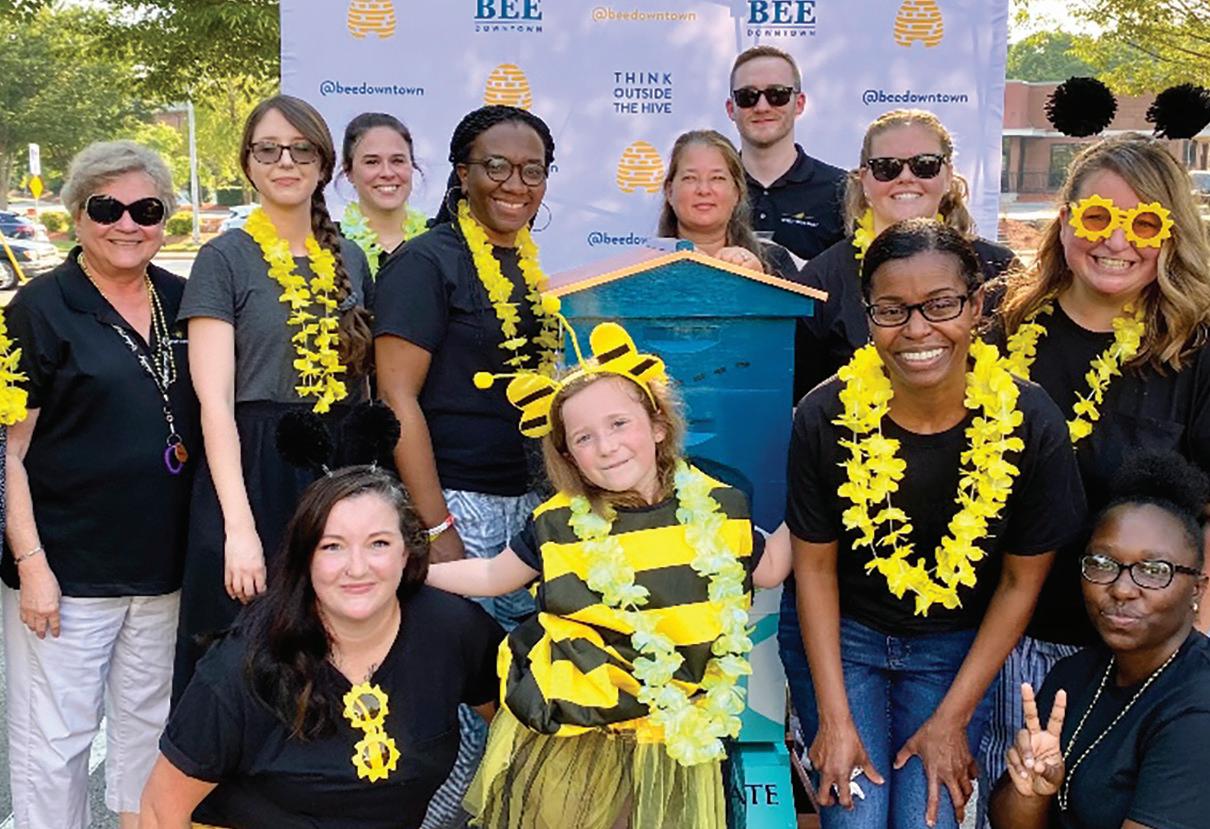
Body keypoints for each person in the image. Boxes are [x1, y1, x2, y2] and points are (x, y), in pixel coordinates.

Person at [427, 320, 792, 828]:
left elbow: (770, 568)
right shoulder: (558, 525)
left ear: (658, 424)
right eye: (584, 437)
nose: (606, 445)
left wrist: (815, 502)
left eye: (619, 423)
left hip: (671, 737)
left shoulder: (716, 511)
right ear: (568, 455)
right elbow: (492, 575)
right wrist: (411, 572)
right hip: (581, 735)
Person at [784, 219, 1084, 829]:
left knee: (929, 818)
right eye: (892, 310)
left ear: (976, 307)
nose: (917, 329)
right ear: (869, 316)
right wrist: (834, 720)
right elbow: (813, 570)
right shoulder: (824, 415)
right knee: (857, 819)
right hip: (845, 639)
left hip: (954, 648)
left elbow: (1019, 583)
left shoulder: (1029, 419)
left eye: (941, 304)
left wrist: (953, 719)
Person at [980, 133, 1210, 789]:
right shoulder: (1005, 327)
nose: (1116, 240)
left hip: (1144, 652)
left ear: (1170, 233)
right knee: (1013, 806)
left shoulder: (1195, 347)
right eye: (1098, 216)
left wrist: (1193, 657)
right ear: (1065, 221)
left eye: (1143, 223)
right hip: (1009, 643)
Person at [373, 104, 561, 828]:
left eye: (532, 170)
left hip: (528, 506)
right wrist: (436, 526)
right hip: (457, 503)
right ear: (461, 173)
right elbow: (396, 399)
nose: (516, 184)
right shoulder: (427, 262)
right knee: (456, 708)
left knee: (512, 698)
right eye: (496, 166)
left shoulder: (527, 266)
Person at [2, 140, 199, 829]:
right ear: (76, 215)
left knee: (150, 735)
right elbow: (8, 452)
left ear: (166, 218)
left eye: (146, 210)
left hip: (165, 570)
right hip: (67, 575)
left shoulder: (184, 299)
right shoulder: (38, 308)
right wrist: (31, 565)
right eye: (106, 208)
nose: (127, 224)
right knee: (53, 744)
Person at [139, 466, 504, 828]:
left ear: (406, 552)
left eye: (378, 543)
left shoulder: (453, 629)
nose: (357, 568)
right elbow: (160, 810)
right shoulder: (246, 663)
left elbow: (515, 730)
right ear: (306, 558)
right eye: (332, 547)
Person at [173, 94, 374, 703]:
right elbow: (214, 404)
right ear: (248, 164)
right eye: (268, 150)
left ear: (324, 164)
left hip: (336, 468)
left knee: (333, 655)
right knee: (245, 660)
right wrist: (239, 528)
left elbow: (363, 385)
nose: (285, 162)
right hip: (254, 469)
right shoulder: (224, 258)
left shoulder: (350, 258)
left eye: (301, 150)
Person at [988, 451, 1210, 829]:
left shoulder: (1198, 705)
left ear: (1197, 589)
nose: (1122, 589)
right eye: (1103, 564)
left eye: (1153, 570)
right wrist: (1033, 792)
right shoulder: (1073, 676)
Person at [794, 108, 1017, 402]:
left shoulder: (999, 269)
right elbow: (802, 397)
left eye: (925, 165)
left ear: (948, 175)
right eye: (887, 167)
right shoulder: (822, 279)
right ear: (865, 179)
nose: (906, 178)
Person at [726, 44, 846, 262]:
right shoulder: (710, 189)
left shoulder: (841, 190)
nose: (762, 107)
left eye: (777, 94)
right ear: (730, 108)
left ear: (799, 104)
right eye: (747, 96)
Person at [657, 129, 800, 280]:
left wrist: (759, 282)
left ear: (737, 192)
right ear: (669, 191)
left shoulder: (776, 259)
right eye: (690, 178)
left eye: (717, 178)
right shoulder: (647, 262)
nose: (704, 190)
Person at [339, 111, 428, 278]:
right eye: (372, 162)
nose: (387, 173)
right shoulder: (327, 245)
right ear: (348, 172)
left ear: (412, 166)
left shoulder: (441, 242)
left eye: (397, 161)